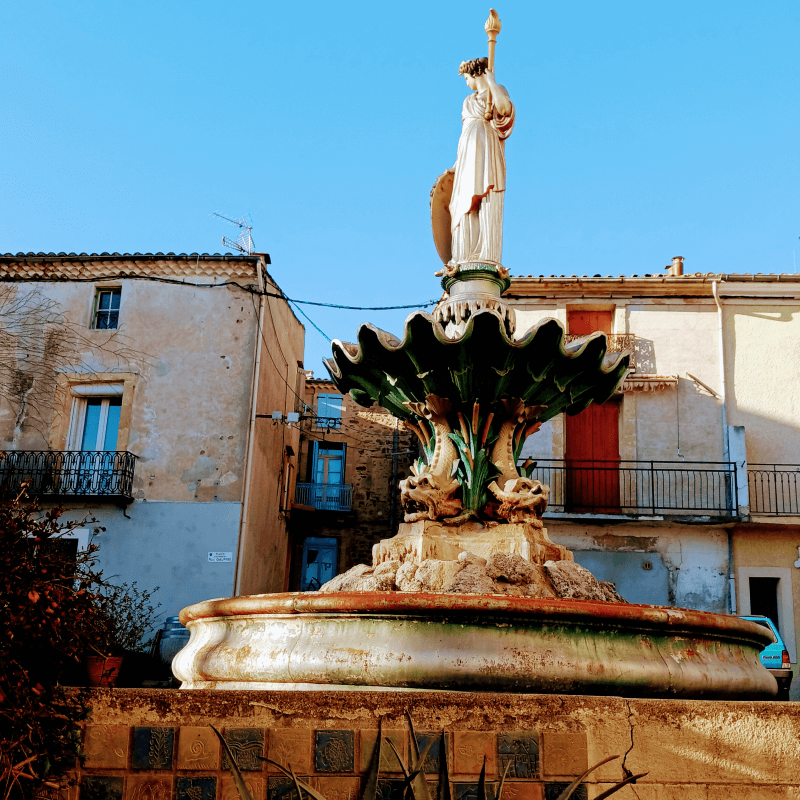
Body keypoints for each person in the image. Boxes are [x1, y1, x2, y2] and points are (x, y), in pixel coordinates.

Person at [449, 57, 515, 271]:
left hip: (487, 151)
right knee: (459, 206)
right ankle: (464, 255)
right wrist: (454, 169)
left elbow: (504, 110)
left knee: (486, 199)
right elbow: (464, 136)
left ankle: (486, 255)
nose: (467, 83)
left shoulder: (496, 91)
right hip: (467, 156)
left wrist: (492, 82)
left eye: (467, 78)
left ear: (476, 74)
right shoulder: (468, 102)